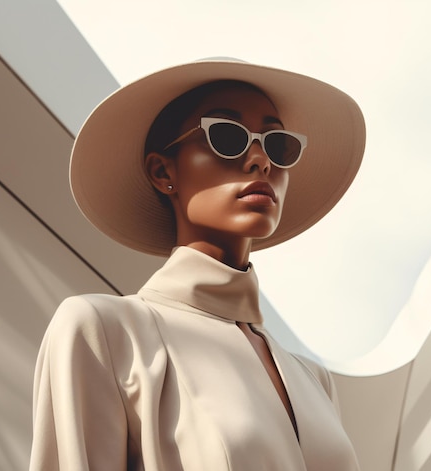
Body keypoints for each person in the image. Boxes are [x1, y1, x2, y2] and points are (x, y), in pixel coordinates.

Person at [29, 58, 366, 470]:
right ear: (162, 171)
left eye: (277, 144)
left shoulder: (315, 380)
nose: (261, 160)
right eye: (228, 136)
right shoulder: (104, 330)